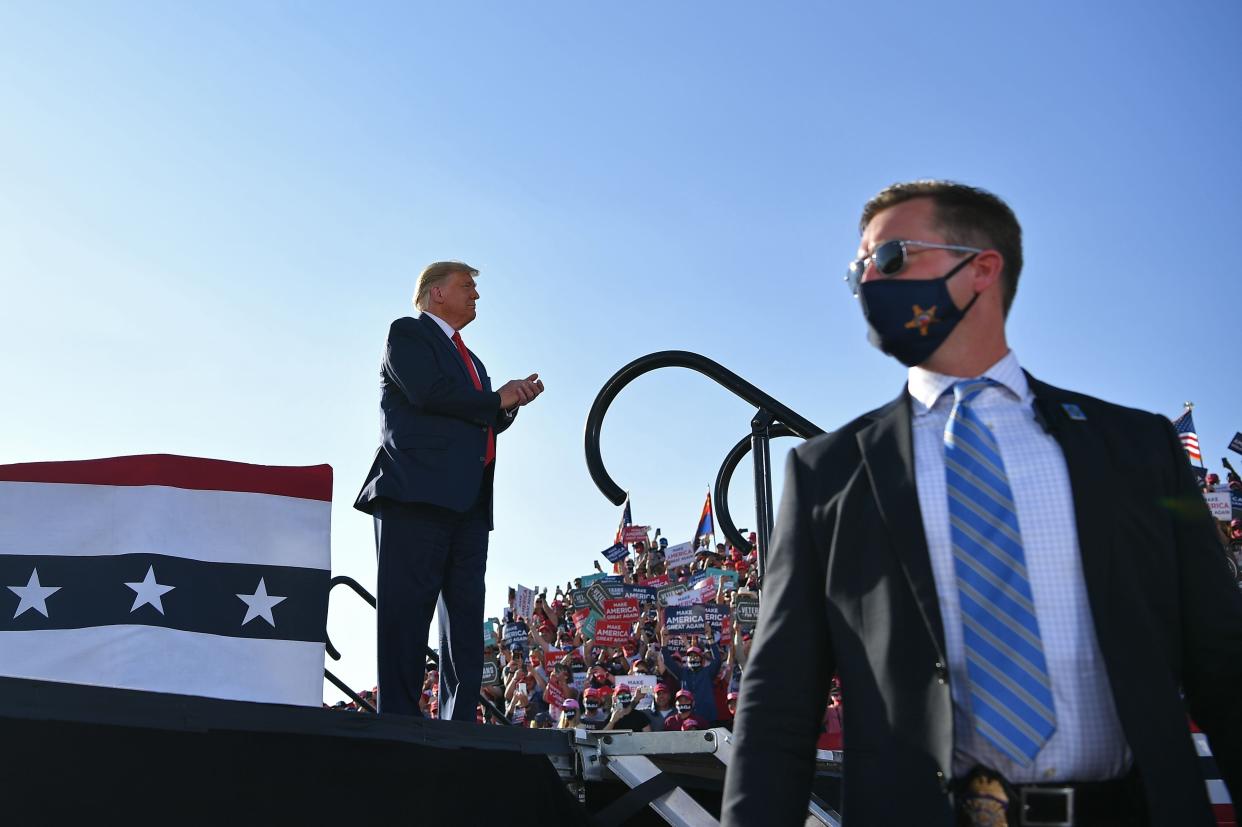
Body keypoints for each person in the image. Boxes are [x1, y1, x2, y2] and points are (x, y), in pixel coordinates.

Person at [723, 181, 1242, 826]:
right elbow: (779, 707)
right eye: (858, 269)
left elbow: (1225, 664)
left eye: (891, 259)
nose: (867, 283)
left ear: (982, 270)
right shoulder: (826, 473)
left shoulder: (1139, 448)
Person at [354, 261, 545, 719]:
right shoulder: (407, 334)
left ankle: (458, 721)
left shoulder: (473, 361)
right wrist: (495, 399)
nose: (476, 296)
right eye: (467, 287)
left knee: (463, 621)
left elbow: (479, 414)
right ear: (436, 293)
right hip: (415, 496)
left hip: (470, 504)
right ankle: (399, 716)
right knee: (406, 612)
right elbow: (428, 393)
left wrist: (509, 403)